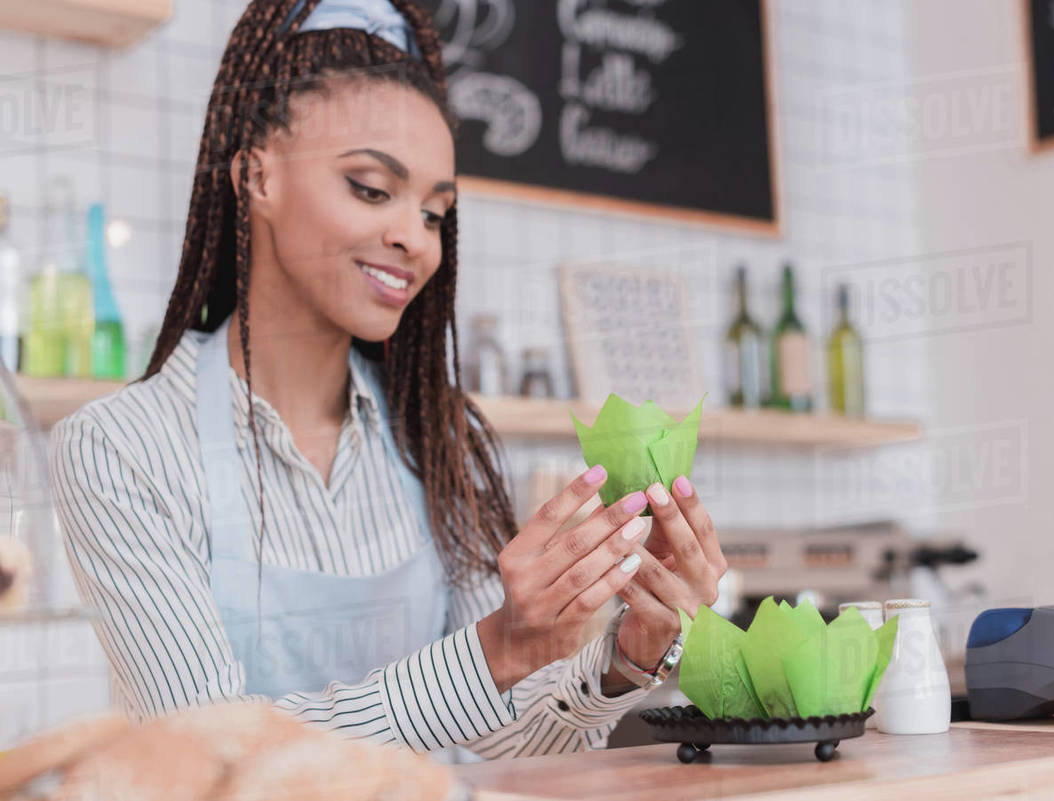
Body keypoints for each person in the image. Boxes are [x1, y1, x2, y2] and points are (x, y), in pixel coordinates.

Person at [49, 0, 726, 761]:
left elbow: (513, 747)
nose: (415, 238)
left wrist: (628, 655)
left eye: (436, 212)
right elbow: (212, 754)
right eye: (372, 188)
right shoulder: (119, 449)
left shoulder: (443, 445)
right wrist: (497, 646)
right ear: (255, 175)